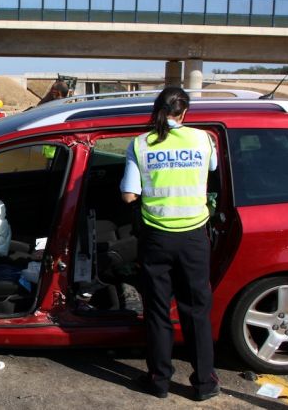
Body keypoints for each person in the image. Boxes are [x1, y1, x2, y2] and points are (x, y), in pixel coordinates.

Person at [120, 87, 219, 401]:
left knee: (158, 311)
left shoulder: (140, 144)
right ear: (185, 111)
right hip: (194, 237)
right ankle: (204, 384)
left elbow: (128, 195)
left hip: (157, 238)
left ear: (157, 109)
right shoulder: (204, 139)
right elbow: (213, 168)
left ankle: (159, 381)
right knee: (196, 312)